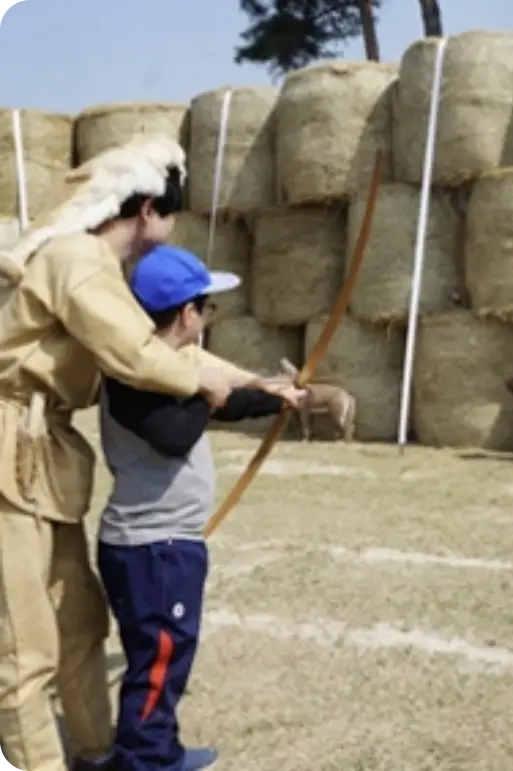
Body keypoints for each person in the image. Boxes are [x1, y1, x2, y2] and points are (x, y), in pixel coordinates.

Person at [0, 134, 303, 771]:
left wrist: (256, 385)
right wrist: (212, 386)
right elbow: (136, 355)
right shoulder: (78, 258)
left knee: (79, 624)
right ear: (146, 211)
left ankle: (96, 753)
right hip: (7, 449)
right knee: (25, 649)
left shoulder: (96, 269)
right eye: (168, 215)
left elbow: (166, 353)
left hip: (39, 449)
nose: (169, 229)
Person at [96, 244, 300, 771]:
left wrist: (275, 395)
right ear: (187, 313)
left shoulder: (172, 366)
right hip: (152, 546)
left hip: (162, 545)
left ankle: (157, 749)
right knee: (160, 659)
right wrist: (208, 393)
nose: (207, 318)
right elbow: (175, 432)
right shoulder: (132, 373)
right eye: (206, 308)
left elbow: (217, 401)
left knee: (166, 655)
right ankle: (144, 761)